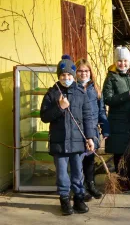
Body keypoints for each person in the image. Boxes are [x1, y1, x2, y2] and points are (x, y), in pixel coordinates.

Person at [40, 55, 96, 215]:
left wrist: (90, 138)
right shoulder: (52, 94)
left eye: (69, 75)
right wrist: (60, 106)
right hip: (60, 143)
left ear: (74, 75)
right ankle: (65, 200)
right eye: (63, 75)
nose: (67, 78)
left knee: (78, 173)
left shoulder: (80, 92)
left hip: (78, 142)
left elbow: (87, 116)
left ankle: (78, 199)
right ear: (59, 76)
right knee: (62, 175)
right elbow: (44, 116)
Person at [103, 46, 130, 192]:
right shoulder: (111, 77)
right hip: (117, 121)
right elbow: (107, 98)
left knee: (129, 153)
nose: (122, 64)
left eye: (125, 61)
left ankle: (128, 178)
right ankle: (121, 181)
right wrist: (126, 96)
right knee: (119, 153)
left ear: (129, 61)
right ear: (116, 61)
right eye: (119, 61)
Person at [75, 59, 110, 201]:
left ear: (90, 72)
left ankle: (91, 184)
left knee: (90, 160)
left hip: (93, 130)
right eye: (80, 71)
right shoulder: (73, 88)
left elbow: (101, 110)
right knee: (77, 161)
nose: (83, 73)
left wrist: (105, 127)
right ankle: (79, 187)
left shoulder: (95, 88)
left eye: (86, 71)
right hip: (78, 130)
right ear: (76, 73)